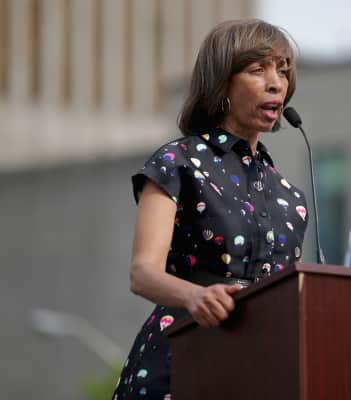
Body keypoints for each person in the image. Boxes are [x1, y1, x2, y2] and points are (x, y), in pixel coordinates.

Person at [113, 19, 308, 400]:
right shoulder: (177, 162)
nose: (276, 83)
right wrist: (194, 297)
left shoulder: (292, 198)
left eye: (283, 71)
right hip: (181, 361)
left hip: (260, 372)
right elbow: (142, 274)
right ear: (222, 83)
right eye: (258, 69)